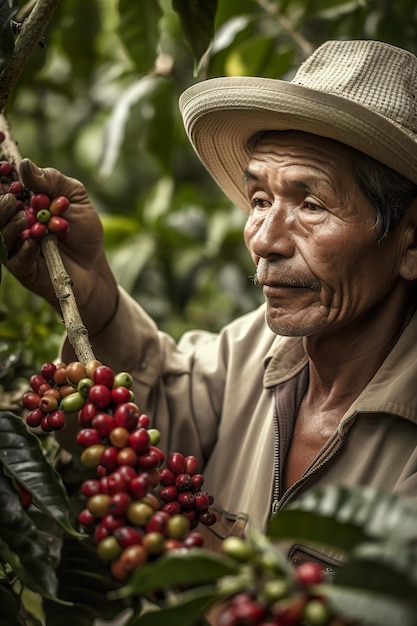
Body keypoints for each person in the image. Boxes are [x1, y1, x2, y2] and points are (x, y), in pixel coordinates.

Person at [1, 38, 417, 569]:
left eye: (311, 205)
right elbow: (155, 416)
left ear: (410, 242)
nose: (265, 239)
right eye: (260, 199)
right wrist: (93, 292)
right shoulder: (257, 349)